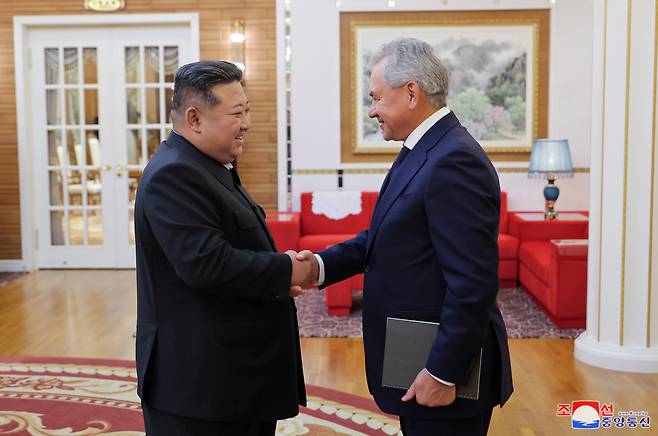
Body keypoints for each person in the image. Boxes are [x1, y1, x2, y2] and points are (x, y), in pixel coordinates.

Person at [296, 38, 513, 435]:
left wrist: (443, 372)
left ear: (411, 92)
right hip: (415, 358)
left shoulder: (454, 160)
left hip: (442, 372)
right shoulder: (425, 149)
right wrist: (319, 266)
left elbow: (473, 284)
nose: (372, 110)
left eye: (376, 97)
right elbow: (384, 237)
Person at [134, 60, 310, 435]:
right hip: (200, 390)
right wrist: (285, 271)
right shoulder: (174, 174)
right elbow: (207, 264)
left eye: (247, 110)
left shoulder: (208, 166)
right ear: (195, 118)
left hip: (230, 382)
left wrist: (279, 269)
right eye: (237, 113)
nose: (246, 122)